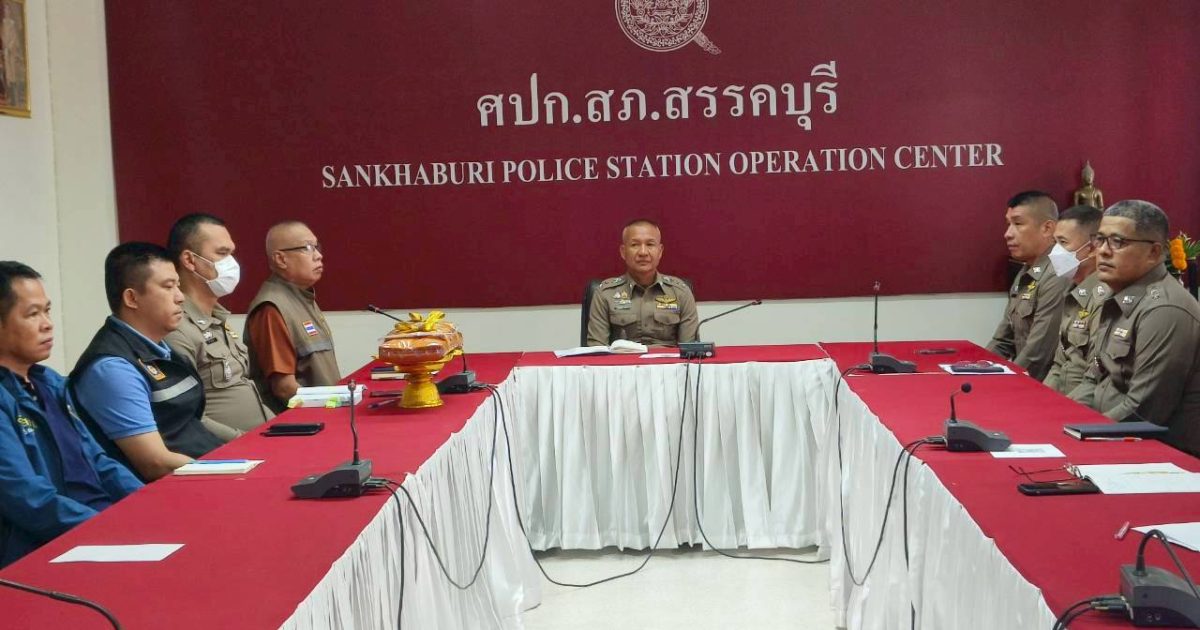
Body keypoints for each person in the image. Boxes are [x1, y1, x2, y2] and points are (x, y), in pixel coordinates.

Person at [0, 262, 142, 567]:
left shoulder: (50, 383)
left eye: (47, 311)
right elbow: (26, 497)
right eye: (32, 314)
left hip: (98, 523)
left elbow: (99, 461)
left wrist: (146, 504)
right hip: (49, 545)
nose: (47, 324)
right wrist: (107, 527)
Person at [71, 243, 226, 481]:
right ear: (132, 298)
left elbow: (188, 423)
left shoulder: (161, 348)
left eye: (178, 286)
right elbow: (155, 463)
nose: (180, 297)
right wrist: (228, 470)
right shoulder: (112, 368)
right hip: (177, 488)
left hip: (208, 466)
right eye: (168, 287)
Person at [1069, 200, 1200, 456]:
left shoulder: (1164, 309)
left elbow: (1143, 411)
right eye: (1100, 239)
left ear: (1154, 252)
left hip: (1161, 454)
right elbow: (1092, 379)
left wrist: (1081, 436)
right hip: (1108, 434)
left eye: (1118, 242)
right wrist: (1061, 422)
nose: (1103, 251)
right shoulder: (1116, 296)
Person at [164, 214, 273, 437]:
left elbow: (242, 386)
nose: (232, 264)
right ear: (190, 260)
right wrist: (245, 441)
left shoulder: (218, 319)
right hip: (229, 449)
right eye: (222, 253)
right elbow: (188, 416)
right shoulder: (177, 327)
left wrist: (281, 428)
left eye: (231, 253)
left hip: (263, 438)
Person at [244, 221, 340, 413]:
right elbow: (285, 388)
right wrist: (337, 406)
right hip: (309, 420)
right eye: (307, 248)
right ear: (281, 259)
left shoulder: (302, 297)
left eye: (317, 247)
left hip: (328, 412)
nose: (318, 255)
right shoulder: (272, 308)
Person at [986, 191, 1073, 380]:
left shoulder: (1061, 270)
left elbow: (1038, 354)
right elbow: (1003, 340)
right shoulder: (1027, 269)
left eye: (1018, 224)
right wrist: (976, 371)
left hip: (1050, 385)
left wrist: (1001, 386)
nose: (1008, 234)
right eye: (1008, 224)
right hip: (1026, 378)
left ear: (1047, 228)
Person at [586, 219, 699, 347]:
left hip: (666, 360)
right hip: (623, 360)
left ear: (660, 251)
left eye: (650, 244)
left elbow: (690, 350)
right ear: (623, 252)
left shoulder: (681, 293)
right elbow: (597, 351)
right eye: (635, 245)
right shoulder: (605, 294)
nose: (643, 252)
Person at [1043, 205, 1104, 394]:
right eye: (1055, 242)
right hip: (1060, 398)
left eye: (1063, 242)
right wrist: (1041, 400)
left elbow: (1094, 376)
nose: (1055, 251)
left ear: (1092, 248)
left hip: (1080, 402)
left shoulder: (1103, 298)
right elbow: (1058, 364)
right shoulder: (1072, 291)